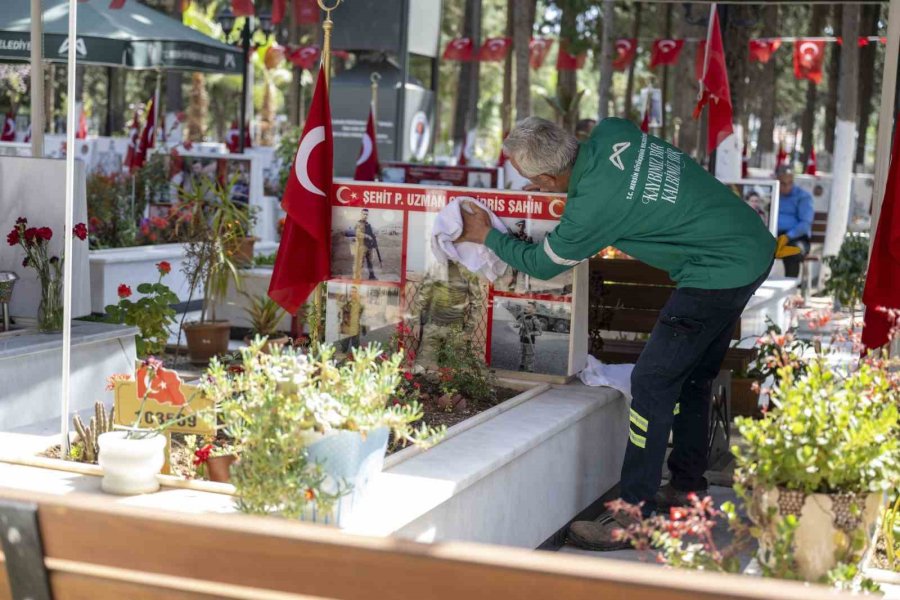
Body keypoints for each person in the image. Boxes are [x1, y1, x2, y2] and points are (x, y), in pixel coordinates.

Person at [456, 117, 775, 551]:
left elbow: (544, 265)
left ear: (547, 176)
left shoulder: (591, 209)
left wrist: (487, 236)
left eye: (537, 181)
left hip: (717, 272)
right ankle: (686, 488)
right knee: (693, 378)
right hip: (749, 244)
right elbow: (624, 189)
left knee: (652, 383)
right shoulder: (613, 132)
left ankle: (633, 516)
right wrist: (565, 190)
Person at [775, 165, 814, 278]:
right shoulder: (771, 194)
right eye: (783, 183)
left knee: (793, 252)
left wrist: (787, 236)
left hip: (795, 238)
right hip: (772, 236)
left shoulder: (803, 196)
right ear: (777, 180)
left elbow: (805, 224)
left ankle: (790, 289)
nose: (787, 187)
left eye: (790, 183)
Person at [515, 302, 542, 372]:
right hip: (522, 339)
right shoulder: (522, 317)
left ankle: (530, 368)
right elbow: (516, 324)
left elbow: (540, 332)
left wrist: (531, 333)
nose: (526, 308)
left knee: (529, 355)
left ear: (534, 309)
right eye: (526, 306)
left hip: (530, 341)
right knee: (522, 353)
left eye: (529, 307)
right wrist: (519, 325)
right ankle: (522, 364)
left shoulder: (535, 320)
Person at [507, 220, 533, 291]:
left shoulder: (515, 275)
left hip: (521, 254)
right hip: (522, 253)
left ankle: (521, 228)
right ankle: (522, 227)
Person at [357, 209, 379, 280]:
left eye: (367, 214)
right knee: (361, 263)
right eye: (364, 214)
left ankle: (371, 276)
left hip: (369, 247)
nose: (365, 215)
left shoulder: (368, 225)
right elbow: (358, 234)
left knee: (370, 262)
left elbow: (371, 234)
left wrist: (373, 237)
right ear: (361, 214)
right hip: (362, 246)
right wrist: (367, 236)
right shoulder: (358, 224)